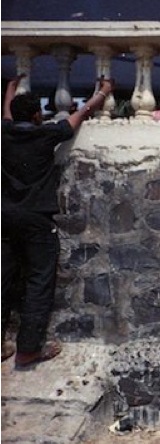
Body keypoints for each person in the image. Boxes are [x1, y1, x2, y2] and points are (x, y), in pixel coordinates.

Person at [2, 75, 114, 368]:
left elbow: (6, 116)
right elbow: (80, 114)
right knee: (39, 279)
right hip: (36, 217)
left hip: (5, 217)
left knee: (2, 279)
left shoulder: (5, 132)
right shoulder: (45, 135)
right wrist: (101, 92)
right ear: (38, 115)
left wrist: (10, 90)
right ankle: (28, 349)